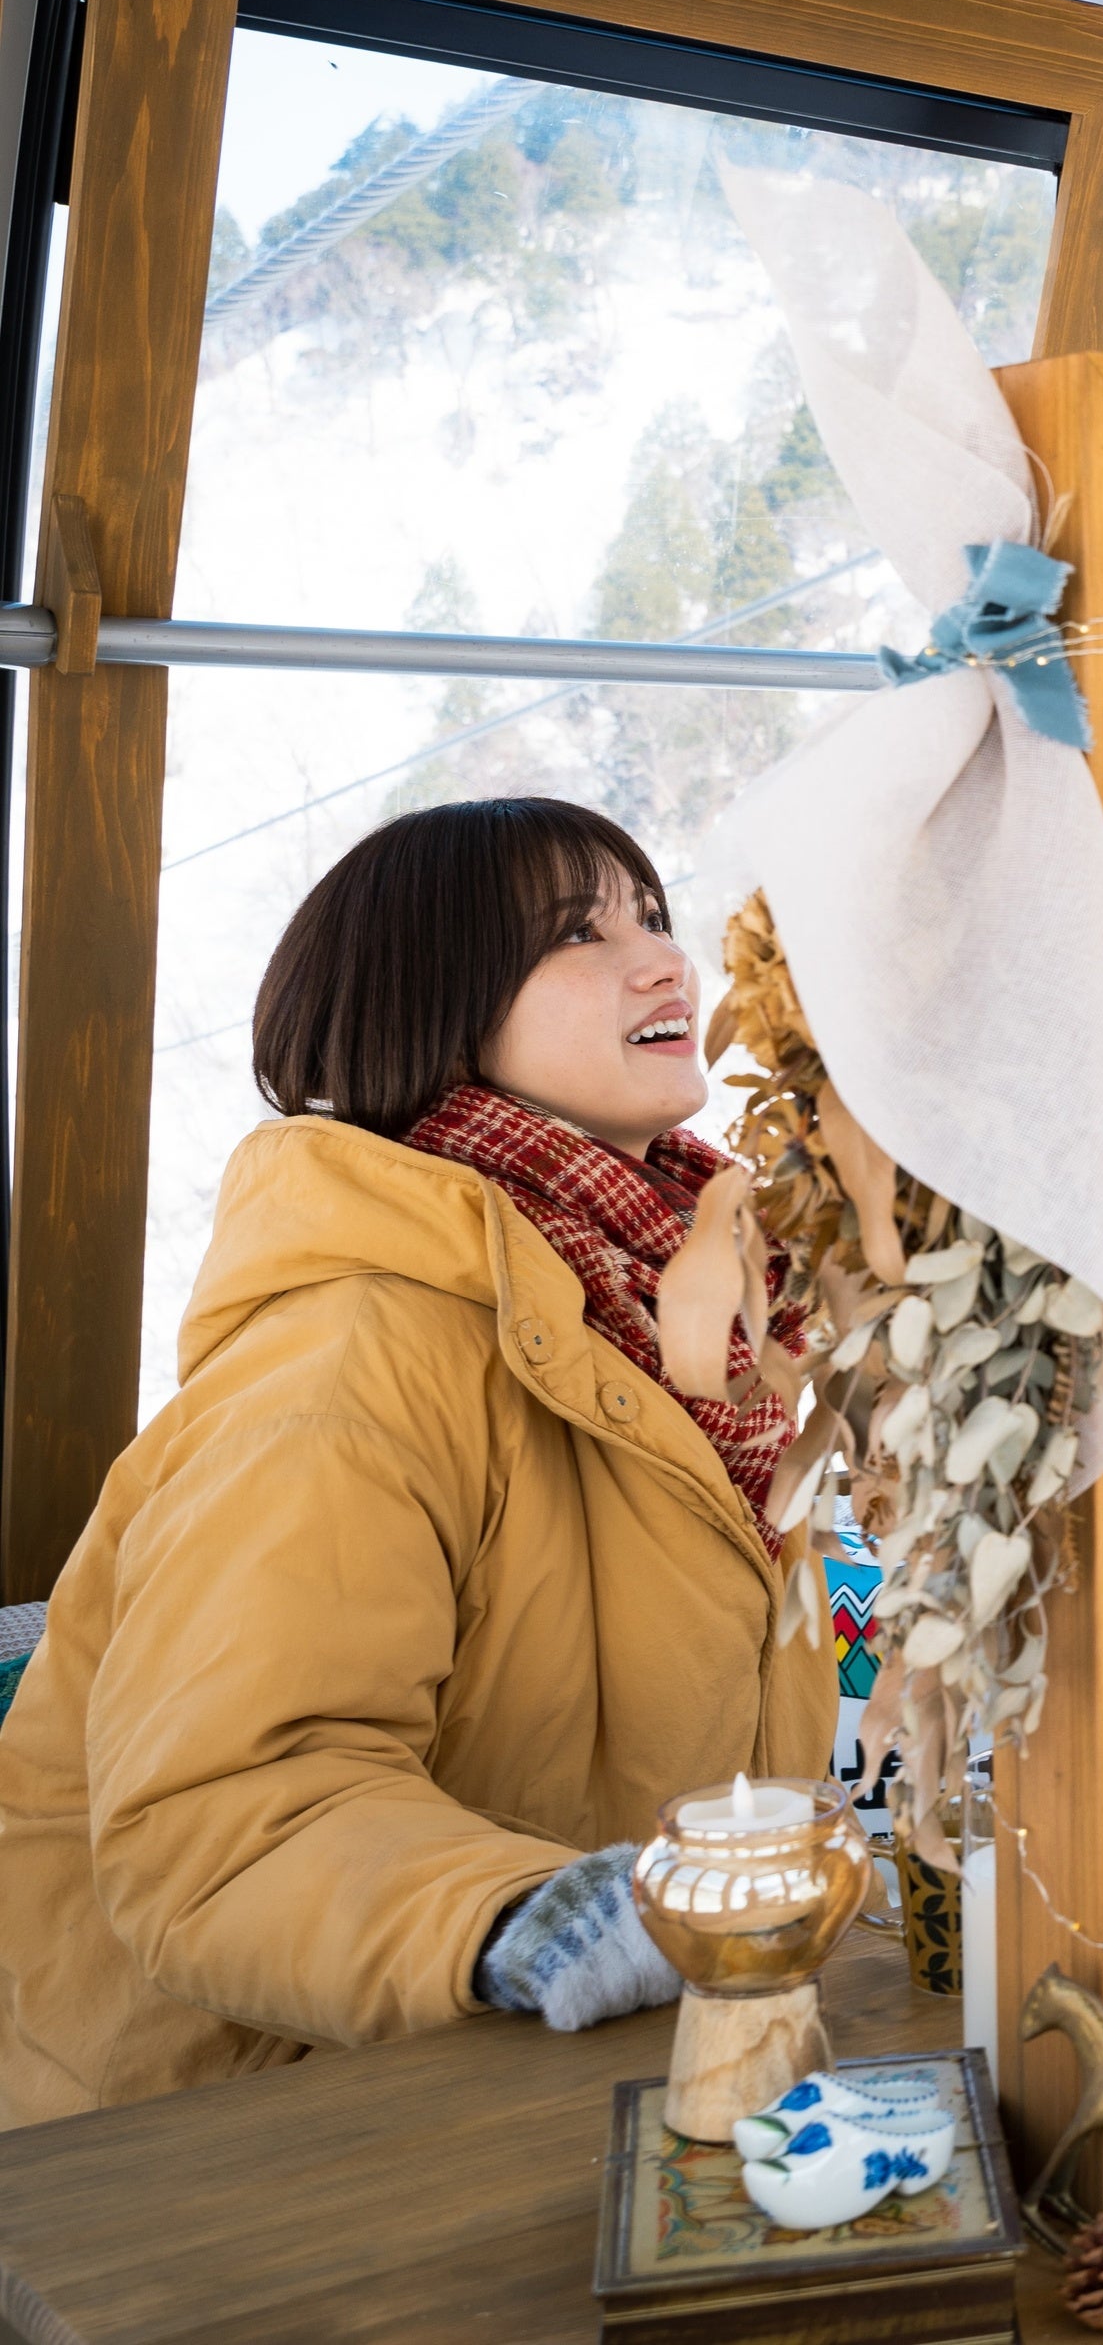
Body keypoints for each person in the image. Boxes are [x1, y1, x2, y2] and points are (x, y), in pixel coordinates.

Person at [0, 798, 829, 2122]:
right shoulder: (348, 1357)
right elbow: (237, 1809)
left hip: (537, 2080)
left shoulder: (681, 1331)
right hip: (223, 2139)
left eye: (654, 916)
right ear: (429, 1005)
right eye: (577, 934)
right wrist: (527, 1915)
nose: (665, 961)